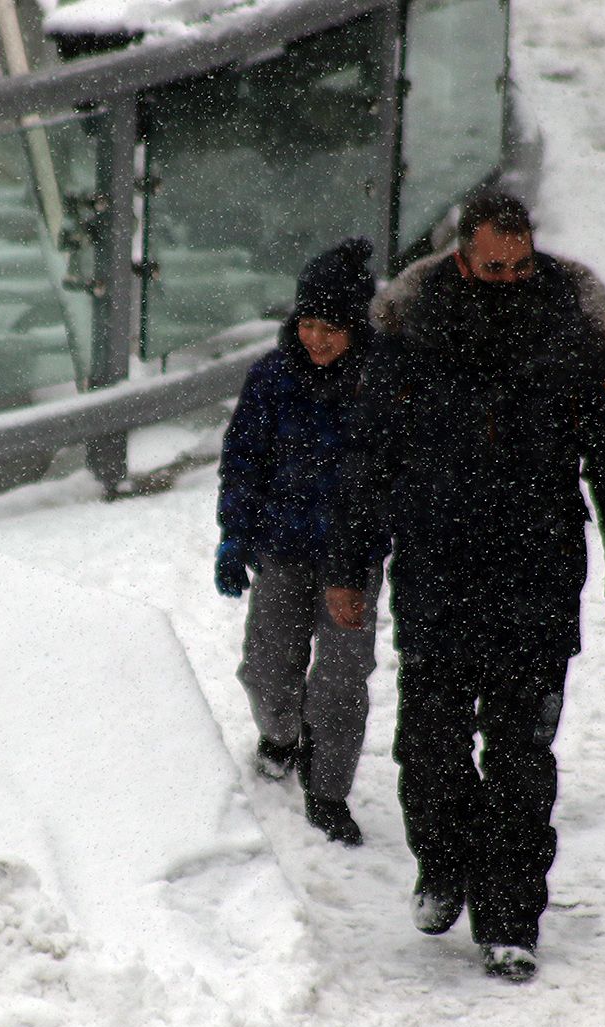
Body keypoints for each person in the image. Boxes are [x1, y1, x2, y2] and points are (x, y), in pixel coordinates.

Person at [323, 192, 605, 982]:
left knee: (520, 754)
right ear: (463, 256)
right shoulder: (409, 337)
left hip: (537, 574)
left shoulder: (573, 338)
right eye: (492, 264)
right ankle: (443, 864)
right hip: (436, 571)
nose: (508, 278)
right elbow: (368, 461)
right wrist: (346, 567)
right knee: (429, 747)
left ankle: (510, 916)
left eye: (520, 263)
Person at [216, 236, 386, 848]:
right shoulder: (271, 378)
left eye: (331, 328)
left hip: (355, 558)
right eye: (308, 324)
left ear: (355, 327)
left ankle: (329, 789)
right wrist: (235, 536)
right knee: (267, 667)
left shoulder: (381, 380)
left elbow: (397, 469)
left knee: (341, 680)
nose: (317, 339)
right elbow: (243, 461)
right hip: (282, 548)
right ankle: (281, 734)